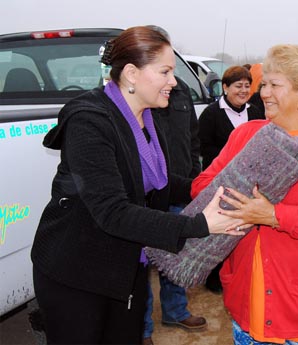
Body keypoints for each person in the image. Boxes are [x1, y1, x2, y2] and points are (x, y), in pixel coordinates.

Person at [30, 26, 241, 345]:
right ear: (131, 73)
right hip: (76, 273)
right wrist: (199, 224)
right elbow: (113, 212)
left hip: (126, 268)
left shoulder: (148, 118)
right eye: (165, 71)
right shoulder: (90, 121)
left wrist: (210, 189)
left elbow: (159, 185)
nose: (174, 81)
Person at [191, 44, 298, 344]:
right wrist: (236, 190)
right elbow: (201, 185)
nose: (263, 92)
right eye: (264, 84)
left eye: (274, 85)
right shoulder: (245, 134)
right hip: (246, 294)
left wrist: (273, 215)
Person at [142, 75, 207, 345]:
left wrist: (194, 173)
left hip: (179, 186)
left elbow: (192, 137)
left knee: (176, 253)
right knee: (141, 263)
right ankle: (142, 328)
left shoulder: (179, 91)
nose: (168, 76)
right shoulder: (140, 92)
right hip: (148, 191)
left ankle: (175, 311)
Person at [198, 65, 264, 293]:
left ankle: (240, 274)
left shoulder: (256, 112)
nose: (243, 90)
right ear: (225, 87)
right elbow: (205, 148)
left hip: (250, 182)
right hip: (221, 181)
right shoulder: (211, 114)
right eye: (238, 86)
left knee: (242, 229)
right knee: (220, 228)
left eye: (247, 86)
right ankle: (214, 277)